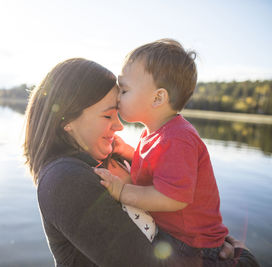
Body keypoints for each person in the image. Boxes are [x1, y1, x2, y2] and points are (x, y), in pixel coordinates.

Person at [24, 57, 259, 266]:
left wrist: (210, 242)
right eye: (107, 115)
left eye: (118, 111)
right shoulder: (65, 180)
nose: (119, 126)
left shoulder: (103, 161)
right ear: (66, 120)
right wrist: (244, 258)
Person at [94, 39, 229, 261]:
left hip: (193, 247)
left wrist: (122, 192)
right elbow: (153, 167)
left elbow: (172, 197)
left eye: (124, 90)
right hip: (178, 237)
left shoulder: (178, 138)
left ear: (158, 98)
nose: (117, 97)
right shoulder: (156, 133)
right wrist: (126, 151)